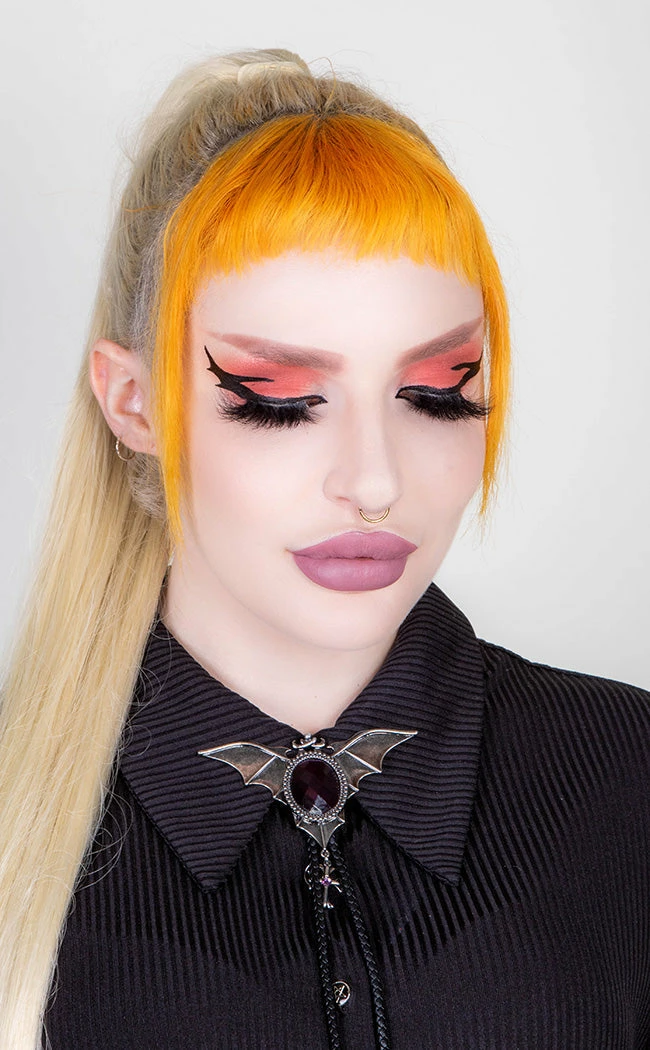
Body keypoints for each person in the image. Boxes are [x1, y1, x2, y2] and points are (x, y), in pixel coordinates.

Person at [0, 47, 648, 1050]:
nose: (375, 479)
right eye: (281, 401)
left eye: (434, 393)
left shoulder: (627, 782)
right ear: (134, 402)